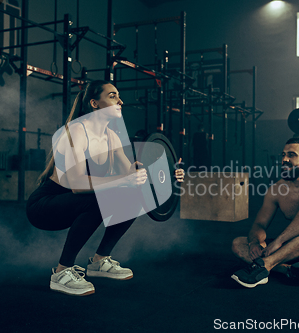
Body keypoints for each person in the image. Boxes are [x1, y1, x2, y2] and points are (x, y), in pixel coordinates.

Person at [26, 80, 185, 296]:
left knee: (135, 194)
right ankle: (62, 273)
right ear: (95, 103)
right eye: (112, 96)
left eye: (118, 95)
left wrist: (169, 173)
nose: (121, 101)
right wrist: (122, 181)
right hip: (44, 206)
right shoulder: (76, 132)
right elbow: (76, 184)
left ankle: (100, 261)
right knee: (100, 196)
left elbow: (131, 174)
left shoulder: (111, 136)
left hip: (75, 204)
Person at [231, 137, 299, 288]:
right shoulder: (277, 189)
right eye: (283, 155)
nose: (284, 159)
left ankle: (264, 266)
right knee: (238, 243)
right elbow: (259, 223)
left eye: (291, 155)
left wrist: (278, 241)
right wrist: (255, 243)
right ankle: (290, 270)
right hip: (293, 249)